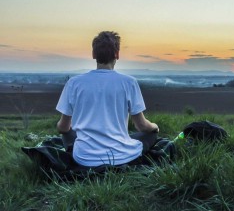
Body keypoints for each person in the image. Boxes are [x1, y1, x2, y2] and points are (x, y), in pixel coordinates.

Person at [56, 31, 159, 168]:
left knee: (68, 132)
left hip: (84, 158)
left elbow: (62, 128)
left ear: (93, 55)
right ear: (117, 54)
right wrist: (155, 127)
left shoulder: (74, 83)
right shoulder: (129, 82)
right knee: (150, 135)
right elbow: (141, 126)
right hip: (121, 156)